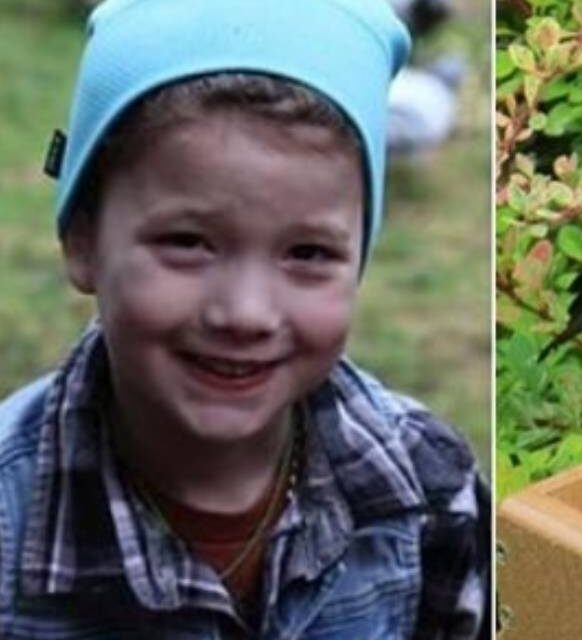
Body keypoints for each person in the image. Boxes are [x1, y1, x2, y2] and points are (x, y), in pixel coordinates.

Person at [0, 0, 489, 638]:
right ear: (84, 240)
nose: (245, 313)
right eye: (187, 242)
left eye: (307, 253)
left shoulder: (431, 488)